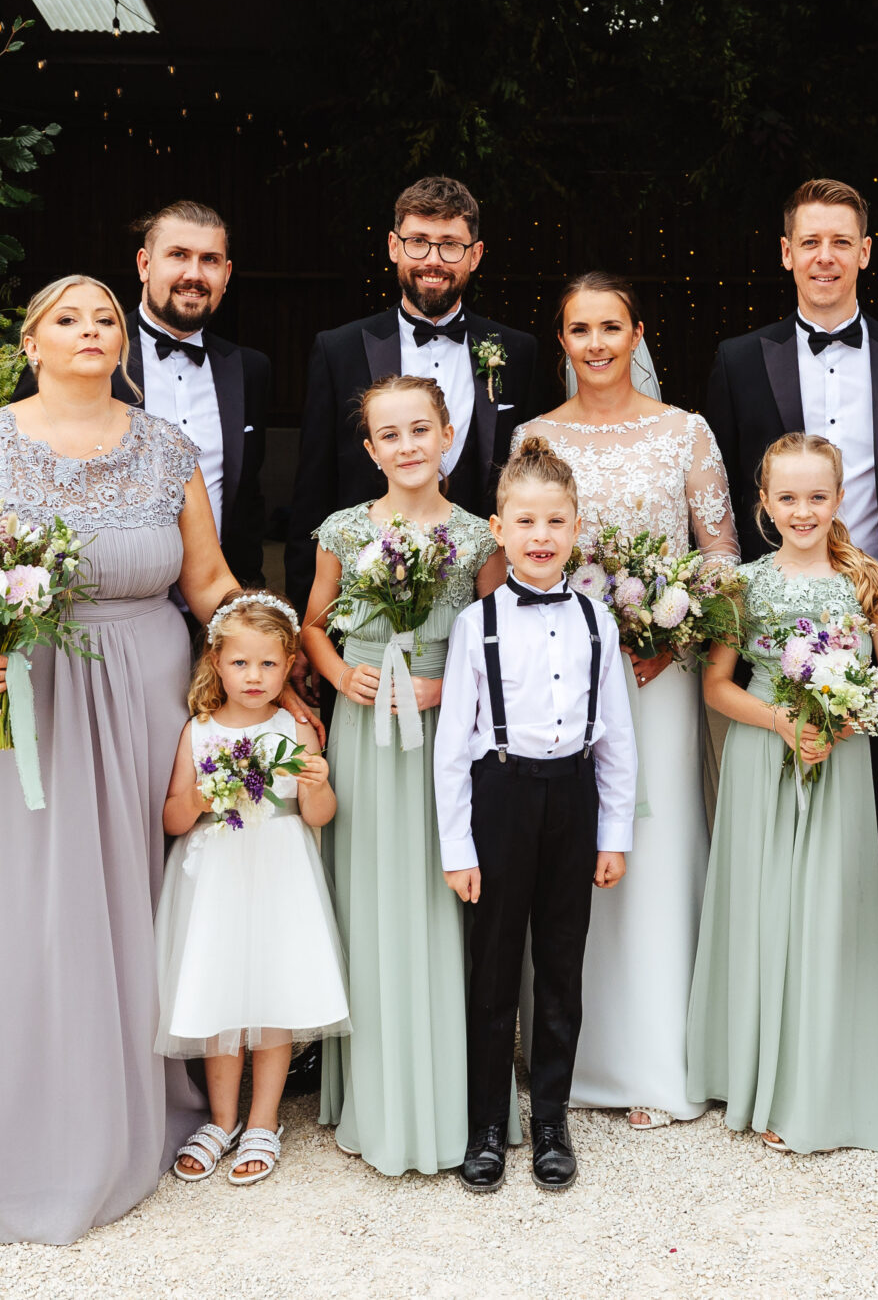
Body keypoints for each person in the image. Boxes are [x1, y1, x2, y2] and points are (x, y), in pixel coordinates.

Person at [0, 276, 240, 1244]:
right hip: (17, 695)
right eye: (69, 318)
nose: (90, 330)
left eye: (103, 319)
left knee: (138, 891)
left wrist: (264, 662)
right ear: (31, 341)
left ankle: (131, 1101)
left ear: (119, 344)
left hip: (142, 690)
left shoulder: (166, 446)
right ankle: (9, 1124)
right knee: (19, 903)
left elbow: (207, 578)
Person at [701, 178, 878, 1120]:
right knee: (784, 858)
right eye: (810, 240)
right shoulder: (736, 358)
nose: (826, 255)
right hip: (773, 622)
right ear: (786, 250)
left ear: (866, 251)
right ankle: (772, 1039)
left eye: (842, 240)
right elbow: (722, 501)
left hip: (872, 626)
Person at [514, 273, 735, 1129]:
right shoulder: (537, 434)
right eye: (580, 328)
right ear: (562, 338)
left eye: (611, 326)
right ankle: (577, 1056)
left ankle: (654, 1060)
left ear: (637, 332)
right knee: (568, 843)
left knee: (657, 839)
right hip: (561, 672)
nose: (597, 343)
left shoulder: (685, 431)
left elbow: (718, 551)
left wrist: (669, 632)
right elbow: (519, 544)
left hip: (658, 674)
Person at [302, 375, 508, 1176]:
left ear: (447, 432)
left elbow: (499, 643)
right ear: (370, 448)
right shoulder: (344, 530)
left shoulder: (476, 537)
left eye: (421, 429)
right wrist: (335, 670)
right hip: (366, 725)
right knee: (372, 894)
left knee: (437, 893)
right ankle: (374, 1091)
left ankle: (454, 1091)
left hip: (441, 730)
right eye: (390, 435)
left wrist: (446, 686)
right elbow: (314, 623)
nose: (408, 445)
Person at [689, 433, 878, 1154]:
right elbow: (717, 686)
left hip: (838, 759)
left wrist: (847, 715)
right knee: (765, 912)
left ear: (840, 499)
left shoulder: (869, 580)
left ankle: (820, 1087)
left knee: (828, 915)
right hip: (764, 753)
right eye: (788, 497)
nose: (803, 510)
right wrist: (782, 719)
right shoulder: (744, 585)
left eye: (818, 496)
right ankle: (754, 1075)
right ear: (764, 503)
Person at [434, 440, 639, 1193]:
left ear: (576, 525)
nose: (542, 534)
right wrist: (458, 846)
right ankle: (488, 1121)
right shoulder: (474, 624)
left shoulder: (598, 621)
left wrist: (613, 831)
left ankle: (551, 1115)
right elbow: (452, 747)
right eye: (526, 520)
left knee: (560, 963)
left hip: (572, 795)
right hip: (502, 796)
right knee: (491, 969)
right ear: (498, 527)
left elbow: (616, 733)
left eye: (555, 519)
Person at [156, 592, 349, 1187]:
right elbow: (172, 818)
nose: (254, 676)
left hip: (279, 873)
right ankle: (221, 1120)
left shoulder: (294, 727)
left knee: (273, 997)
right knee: (219, 996)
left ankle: (263, 1121)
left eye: (269, 664)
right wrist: (205, 794)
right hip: (215, 877)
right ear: (216, 661)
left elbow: (319, 815)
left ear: (291, 663)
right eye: (241, 663)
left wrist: (315, 780)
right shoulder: (200, 730)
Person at [287, 176, 541, 610]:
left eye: (450, 245)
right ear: (393, 246)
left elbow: (531, 482)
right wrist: (303, 624)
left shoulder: (518, 351)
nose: (433, 260)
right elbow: (312, 489)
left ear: (475, 255)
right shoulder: (338, 349)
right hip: (366, 609)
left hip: (487, 603)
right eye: (418, 242)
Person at [11, 201, 269, 588]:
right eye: (178, 255)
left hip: (220, 602)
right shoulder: (85, 355)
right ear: (145, 265)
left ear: (226, 273)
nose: (193, 274)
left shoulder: (250, 369)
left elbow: (247, 500)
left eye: (210, 260)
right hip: (99, 598)